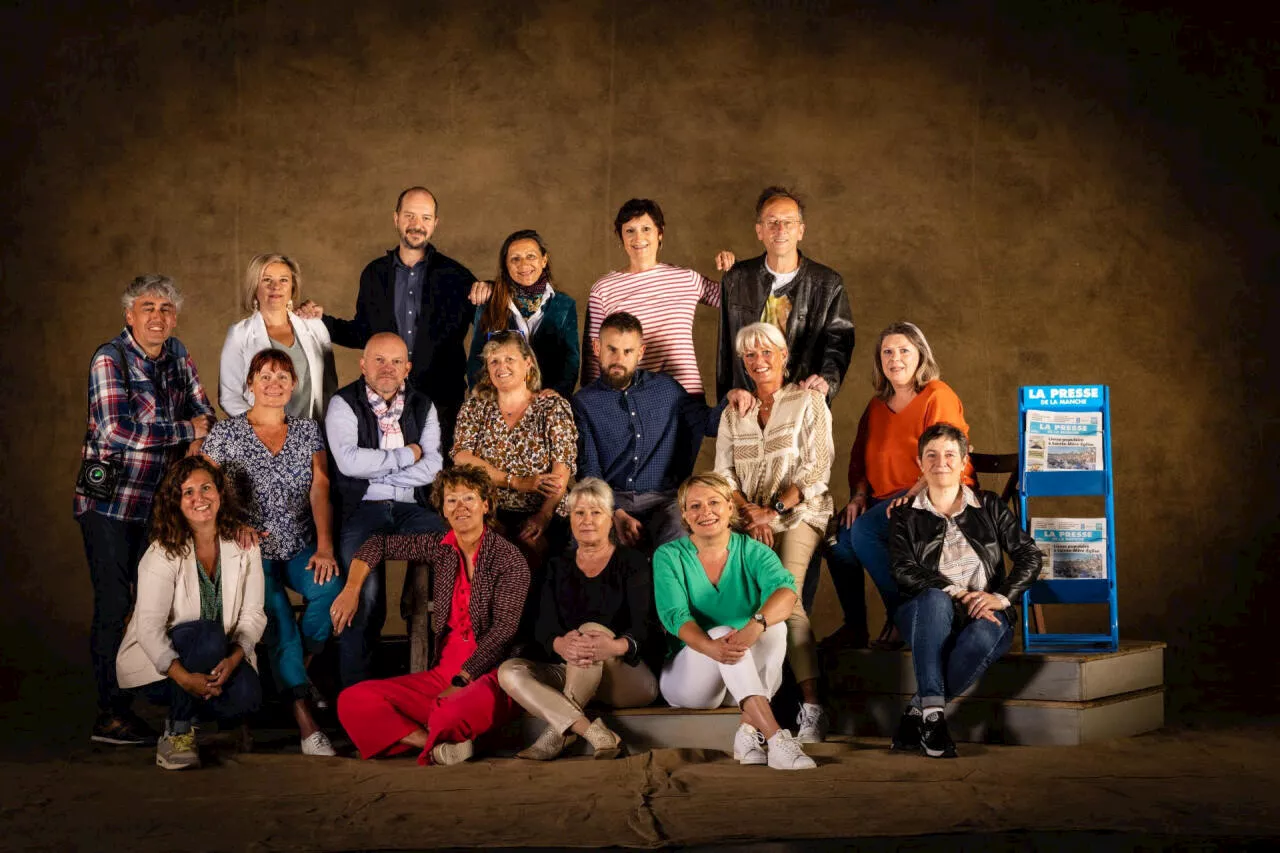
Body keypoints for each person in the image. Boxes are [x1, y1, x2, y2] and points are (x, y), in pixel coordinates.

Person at [75, 274, 217, 746]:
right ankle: (110, 714)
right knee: (115, 607)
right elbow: (117, 431)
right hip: (109, 506)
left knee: (157, 606)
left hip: (158, 507)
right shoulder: (108, 358)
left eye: (166, 309)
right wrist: (184, 430)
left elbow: (207, 415)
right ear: (129, 315)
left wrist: (194, 431)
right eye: (148, 307)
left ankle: (160, 695)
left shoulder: (178, 353)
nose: (158, 317)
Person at [334, 465, 530, 766]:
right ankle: (432, 742)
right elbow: (377, 544)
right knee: (351, 700)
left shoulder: (508, 558)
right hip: (440, 676)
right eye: (451, 500)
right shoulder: (441, 547)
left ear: (486, 504)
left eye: (469, 498)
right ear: (442, 508)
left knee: (450, 712)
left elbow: (503, 631)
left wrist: (462, 680)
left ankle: (421, 731)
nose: (460, 507)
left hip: (488, 675)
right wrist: (351, 589)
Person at [202, 349, 339, 756]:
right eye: (265, 376)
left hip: (298, 543)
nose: (274, 383)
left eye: (283, 376)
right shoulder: (226, 434)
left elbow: (321, 487)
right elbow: (202, 489)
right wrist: (231, 525)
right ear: (249, 384)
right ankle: (304, 719)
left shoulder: (307, 431)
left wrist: (326, 545)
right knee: (277, 619)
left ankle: (298, 674)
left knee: (328, 591)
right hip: (249, 550)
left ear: (294, 385)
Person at [888, 423, 1041, 758]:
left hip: (984, 609)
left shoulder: (988, 506)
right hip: (926, 612)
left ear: (963, 462)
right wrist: (957, 592)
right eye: (931, 455)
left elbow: (1029, 555)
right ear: (920, 463)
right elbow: (903, 571)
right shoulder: (903, 516)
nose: (940, 462)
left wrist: (999, 597)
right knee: (934, 598)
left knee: (987, 634)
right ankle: (934, 719)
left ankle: (923, 714)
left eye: (949, 455)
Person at [715, 322, 834, 743]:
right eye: (750, 355)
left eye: (768, 352)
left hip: (800, 515)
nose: (759, 361)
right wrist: (750, 512)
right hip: (748, 517)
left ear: (785, 357)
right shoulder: (735, 411)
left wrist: (773, 511)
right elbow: (723, 473)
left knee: (788, 598)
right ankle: (757, 706)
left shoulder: (809, 401)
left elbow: (816, 471)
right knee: (741, 600)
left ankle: (813, 708)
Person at [653, 473, 816, 771]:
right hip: (690, 683)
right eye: (695, 506)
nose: (706, 512)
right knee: (723, 631)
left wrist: (754, 626)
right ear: (685, 516)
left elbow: (786, 593)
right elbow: (675, 617)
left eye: (714, 502)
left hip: (738, 678)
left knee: (775, 626)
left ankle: (747, 732)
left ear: (730, 508)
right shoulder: (669, 555)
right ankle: (776, 738)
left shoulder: (753, 550)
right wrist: (710, 646)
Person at [827, 322, 974, 650]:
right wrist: (858, 496)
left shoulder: (937, 395)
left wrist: (912, 494)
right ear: (879, 361)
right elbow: (859, 459)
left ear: (920, 355)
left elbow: (946, 456)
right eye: (887, 352)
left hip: (931, 493)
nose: (896, 358)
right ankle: (855, 626)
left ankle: (904, 618)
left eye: (904, 350)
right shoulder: (876, 405)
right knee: (839, 541)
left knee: (865, 531)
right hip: (881, 498)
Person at [296, 186, 477, 451]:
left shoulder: (457, 277)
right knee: (387, 473)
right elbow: (363, 333)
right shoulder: (374, 274)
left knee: (438, 480)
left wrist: (494, 287)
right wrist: (320, 321)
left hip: (441, 399)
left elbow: (490, 325)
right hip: (385, 395)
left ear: (435, 223)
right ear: (396, 218)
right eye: (409, 216)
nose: (417, 225)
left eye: (425, 218)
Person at [116, 456, 265, 770]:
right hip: (162, 670)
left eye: (206, 488)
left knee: (249, 697)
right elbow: (148, 629)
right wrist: (184, 679)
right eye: (188, 492)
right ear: (176, 503)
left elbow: (253, 614)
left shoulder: (244, 545)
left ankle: (196, 707)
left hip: (218, 660)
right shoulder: (163, 552)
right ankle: (177, 732)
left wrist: (235, 659)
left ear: (220, 493)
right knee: (208, 633)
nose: (200, 498)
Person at [499, 478, 661, 760]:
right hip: (574, 670)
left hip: (627, 678)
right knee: (509, 672)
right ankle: (590, 731)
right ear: (570, 519)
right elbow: (542, 626)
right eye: (579, 513)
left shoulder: (632, 562)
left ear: (611, 520)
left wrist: (616, 646)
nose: (587, 520)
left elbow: (646, 627)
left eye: (595, 512)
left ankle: (553, 736)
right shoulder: (556, 565)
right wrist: (559, 643)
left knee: (591, 630)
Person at [326, 332, 446, 687]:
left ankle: (434, 669)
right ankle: (356, 698)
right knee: (364, 597)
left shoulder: (423, 404)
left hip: (411, 508)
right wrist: (407, 455)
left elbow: (435, 465)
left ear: (407, 368)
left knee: (455, 542)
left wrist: (378, 465)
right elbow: (348, 463)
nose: (387, 368)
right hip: (363, 508)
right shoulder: (343, 404)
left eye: (396, 361)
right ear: (362, 365)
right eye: (378, 360)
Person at [573, 312, 730, 551]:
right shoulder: (583, 403)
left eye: (628, 352)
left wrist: (732, 397)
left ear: (641, 353)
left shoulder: (667, 389)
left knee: (680, 539)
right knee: (584, 543)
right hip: (612, 498)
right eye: (611, 349)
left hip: (665, 499)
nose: (619, 359)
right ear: (597, 347)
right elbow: (589, 471)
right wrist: (614, 512)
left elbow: (708, 424)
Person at [581, 198, 733, 396]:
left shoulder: (687, 279)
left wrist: (733, 271)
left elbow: (737, 300)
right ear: (621, 237)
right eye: (629, 231)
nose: (638, 238)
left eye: (646, 229)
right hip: (633, 401)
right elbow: (595, 357)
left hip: (686, 397)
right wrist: (599, 401)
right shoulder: (603, 289)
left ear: (660, 233)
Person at [716, 186, 855, 404]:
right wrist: (726, 400)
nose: (780, 229)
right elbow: (726, 347)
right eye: (772, 222)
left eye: (788, 222)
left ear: (800, 231)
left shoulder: (827, 283)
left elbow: (839, 341)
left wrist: (828, 381)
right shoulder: (737, 278)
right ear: (759, 231)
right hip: (747, 402)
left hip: (801, 401)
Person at [452, 331, 576, 565]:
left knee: (533, 545)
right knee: (484, 548)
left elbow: (563, 466)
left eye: (510, 359)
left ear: (528, 363)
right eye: (494, 361)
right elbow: (462, 456)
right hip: (488, 510)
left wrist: (543, 516)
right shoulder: (475, 407)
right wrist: (516, 482)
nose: (502, 367)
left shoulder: (551, 406)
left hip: (543, 509)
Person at [219, 253, 338, 420]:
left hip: (313, 437)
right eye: (267, 280)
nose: (276, 287)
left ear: (292, 287)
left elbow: (329, 389)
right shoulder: (238, 334)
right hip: (261, 438)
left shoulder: (316, 328)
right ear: (255, 287)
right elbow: (229, 397)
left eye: (284, 280)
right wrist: (264, 428)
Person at [466, 229, 579, 398]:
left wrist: (558, 393)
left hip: (546, 402)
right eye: (515, 259)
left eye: (531, 256)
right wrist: (484, 398)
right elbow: (477, 359)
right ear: (506, 265)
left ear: (544, 260)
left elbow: (571, 360)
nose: (523, 264)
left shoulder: (564, 305)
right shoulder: (489, 303)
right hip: (501, 403)